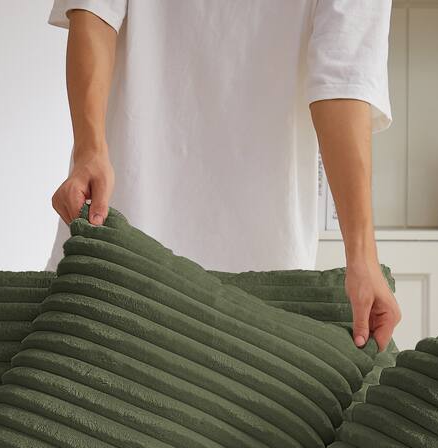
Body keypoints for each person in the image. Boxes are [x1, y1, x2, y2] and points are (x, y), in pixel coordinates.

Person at [47, 0, 401, 350]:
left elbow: (94, 13)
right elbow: (342, 84)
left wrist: (362, 257)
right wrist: (362, 255)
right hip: (141, 234)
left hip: (138, 225)